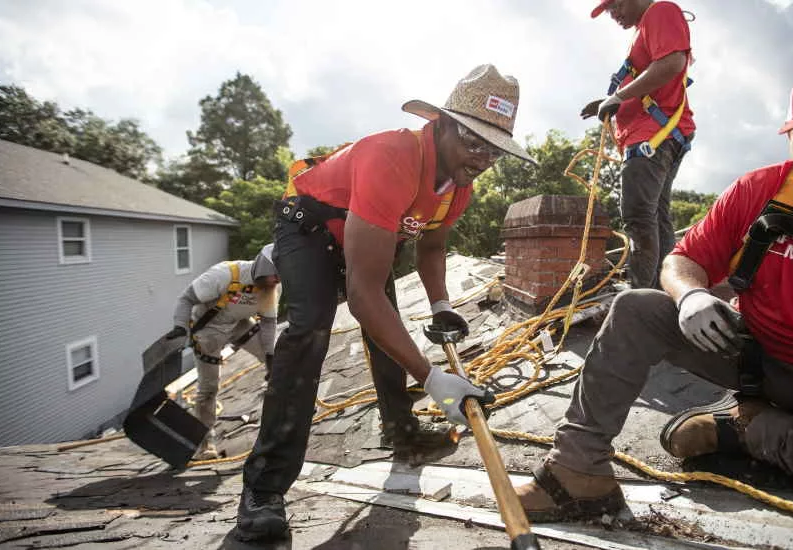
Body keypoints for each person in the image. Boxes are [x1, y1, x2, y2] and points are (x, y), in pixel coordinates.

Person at [516, 46, 793, 550]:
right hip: (756, 361)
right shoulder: (761, 191)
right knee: (637, 308)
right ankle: (578, 472)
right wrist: (690, 296)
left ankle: (758, 433)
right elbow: (682, 261)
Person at [234, 64, 536, 541]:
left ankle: (401, 433)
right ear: (441, 124)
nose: (482, 158)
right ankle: (264, 489)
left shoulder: (458, 187)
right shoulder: (392, 155)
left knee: (387, 333)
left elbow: (432, 247)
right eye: (474, 141)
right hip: (309, 230)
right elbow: (362, 295)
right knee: (309, 329)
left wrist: (440, 306)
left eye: (494, 148)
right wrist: (434, 378)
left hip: (371, 239)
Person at [581, 0, 695, 289]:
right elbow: (655, 73)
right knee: (655, 217)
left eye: (616, 5)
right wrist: (613, 101)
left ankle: (640, 296)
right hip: (659, 137)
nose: (614, 14)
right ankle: (662, 290)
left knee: (639, 218)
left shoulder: (660, 11)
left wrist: (618, 98)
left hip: (652, 138)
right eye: (608, 11)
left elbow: (672, 63)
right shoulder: (644, 28)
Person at [164, 245, 280, 460]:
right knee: (208, 389)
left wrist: (270, 356)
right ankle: (205, 443)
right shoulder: (224, 275)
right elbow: (186, 299)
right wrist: (180, 326)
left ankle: (285, 421)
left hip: (238, 324)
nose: (278, 281)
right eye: (275, 275)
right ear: (263, 268)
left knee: (281, 363)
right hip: (209, 328)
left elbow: (269, 323)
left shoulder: (271, 288)